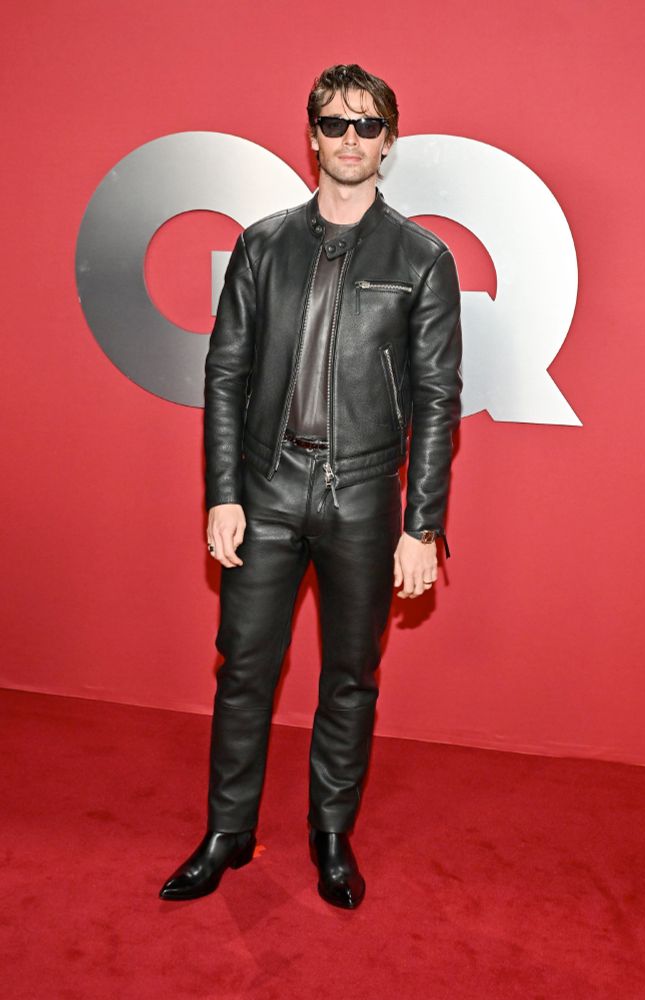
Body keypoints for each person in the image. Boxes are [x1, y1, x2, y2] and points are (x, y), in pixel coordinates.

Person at [159, 63, 462, 909]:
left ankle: (331, 834)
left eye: (366, 125)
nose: (349, 139)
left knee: (351, 675)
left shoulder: (422, 259)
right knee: (243, 667)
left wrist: (422, 524)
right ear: (312, 136)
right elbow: (225, 375)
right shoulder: (261, 246)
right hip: (265, 489)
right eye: (334, 123)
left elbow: (438, 399)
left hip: (363, 497)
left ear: (388, 141)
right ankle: (227, 833)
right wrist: (223, 493)